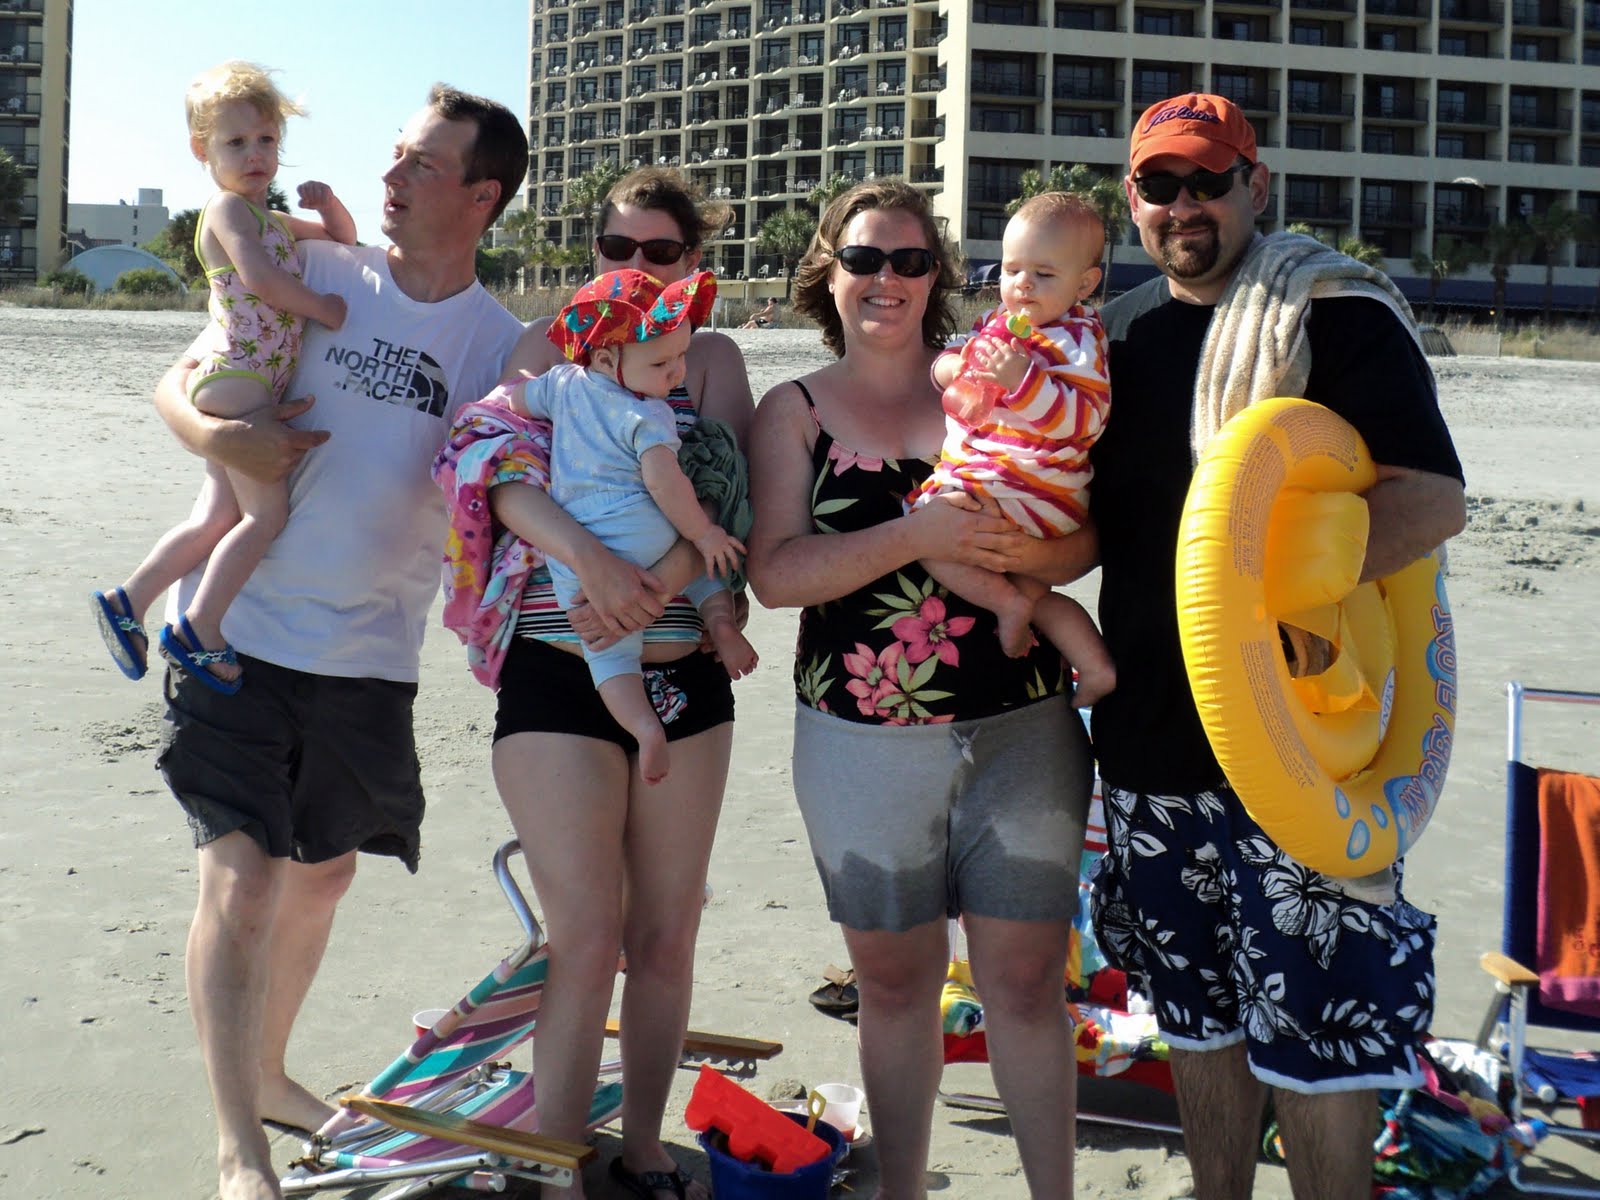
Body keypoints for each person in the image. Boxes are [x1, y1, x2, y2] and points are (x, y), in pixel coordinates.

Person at [145, 85, 528, 1200]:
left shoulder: (499, 345)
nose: (391, 175)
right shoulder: (318, 271)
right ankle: (241, 1148)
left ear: (482, 195)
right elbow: (176, 382)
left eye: (422, 163)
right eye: (394, 153)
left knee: (320, 880)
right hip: (239, 633)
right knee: (241, 885)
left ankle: (268, 1075)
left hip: (369, 656)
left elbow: (523, 480)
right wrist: (216, 433)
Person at [1086, 93, 1467, 1200]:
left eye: (1209, 181)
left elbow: (1431, 500)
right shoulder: (1113, 337)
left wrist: (1280, 602)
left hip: (1307, 744)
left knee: (1320, 1042)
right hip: (1152, 742)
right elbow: (1085, 522)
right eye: (1160, 185)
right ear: (1133, 201)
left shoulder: (1332, 316)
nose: (1184, 205)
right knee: (1195, 1026)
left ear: (1257, 186)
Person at [745, 179, 1096, 1199]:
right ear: (829, 273)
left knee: (1026, 985)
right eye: (864, 259)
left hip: (1025, 728)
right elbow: (776, 576)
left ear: (936, 274)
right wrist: (917, 535)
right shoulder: (794, 410)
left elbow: (1083, 539)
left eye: (909, 260)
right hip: (859, 743)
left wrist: (1027, 559)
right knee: (895, 989)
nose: (886, 279)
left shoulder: (998, 377)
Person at [447, 165, 754, 1200]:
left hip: (684, 673)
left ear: (691, 260)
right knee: (583, 936)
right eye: (617, 248)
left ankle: (647, 1144)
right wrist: (592, 564)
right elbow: (491, 467)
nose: (636, 267)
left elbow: (726, 503)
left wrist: (650, 587)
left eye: (659, 251)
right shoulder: (549, 346)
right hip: (557, 665)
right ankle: (559, 1167)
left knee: (666, 934)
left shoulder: (710, 358)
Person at [91, 61, 355, 693]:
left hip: (245, 381)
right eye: (236, 142)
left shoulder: (272, 219)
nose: (255, 154)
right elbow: (260, 280)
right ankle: (199, 629)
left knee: (215, 520)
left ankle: (129, 599)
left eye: (266, 140)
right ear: (201, 150)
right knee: (265, 519)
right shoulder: (228, 210)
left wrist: (329, 205)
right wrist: (322, 308)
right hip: (239, 378)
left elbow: (340, 239)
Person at [494, 267, 756, 784]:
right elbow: (665, 482)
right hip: (648, 529)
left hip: (577, 550)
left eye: (680, 357)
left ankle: (643, 727)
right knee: (705, 576)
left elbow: (514, 401)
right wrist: (703, 533)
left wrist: (503, 404)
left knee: (608, 655)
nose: (676, 373)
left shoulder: (561, 385)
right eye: (661, 363)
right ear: (606, 359)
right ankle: (722, 625)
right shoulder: (650, 414)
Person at [915, 191, 1116, 703]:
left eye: (1043, 274)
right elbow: (955, 361)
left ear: (1085, 284)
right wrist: (950, 368)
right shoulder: (998, 324)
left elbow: (1084, 420)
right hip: (1022, 492)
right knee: (1036, 593)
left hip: (1027, 487)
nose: (1023, 284)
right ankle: (1094, 666)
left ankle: (1004, 605)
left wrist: (1025, 382)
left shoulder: (1076, 341)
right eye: (1011, 270)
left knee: (922, 525)